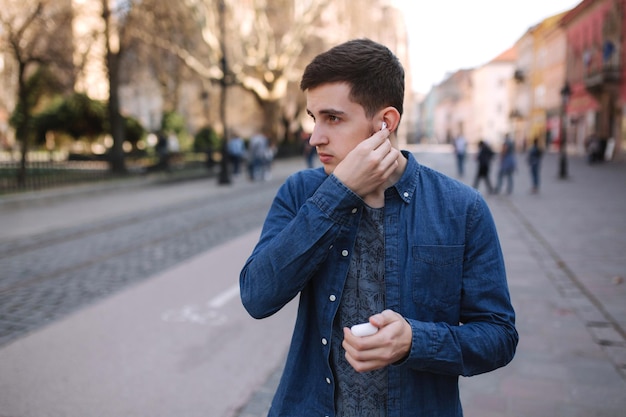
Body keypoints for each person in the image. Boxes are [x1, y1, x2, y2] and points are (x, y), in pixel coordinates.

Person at [239, 38, 518, 417]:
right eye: (313, 118)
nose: (315, 137)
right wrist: (339, 194)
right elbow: (257, 295)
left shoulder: (461, 208)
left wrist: (415, 341)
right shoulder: (302, 192)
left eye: (333, 118)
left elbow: (499, 336)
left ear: (384, 123)